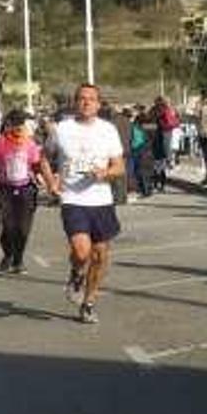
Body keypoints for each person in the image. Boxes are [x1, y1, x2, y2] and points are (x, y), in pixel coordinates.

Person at [54, 84, 125, 324]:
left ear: (98, 104)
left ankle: (89, 302)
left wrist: (104, 173)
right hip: (73, 198)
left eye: (91, 99)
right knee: (82, 251)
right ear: (75, 102)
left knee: (100, 256)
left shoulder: (108, 130)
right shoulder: (62, 129)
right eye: (82, 99)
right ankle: (76, 273)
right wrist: (51, 182)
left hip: (101, 200)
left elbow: (120, 166)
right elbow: (44, 156)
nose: (86, 103)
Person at [0, 109, 58, 275]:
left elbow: (36, 164)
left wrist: (45, 180)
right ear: (8, 125)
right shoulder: (0, 144)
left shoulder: (30, 144)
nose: (19, 129)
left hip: (26, 189)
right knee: (8, 228)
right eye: (16, 125)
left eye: (22, 125)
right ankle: (8, 256)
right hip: (5, 189)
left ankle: (18, 260)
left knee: (23, 229)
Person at [130, 109, 154, 198]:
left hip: (139, 150)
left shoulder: (136, 127)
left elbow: (135, 141)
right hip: (149, 150)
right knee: (147, 171)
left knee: (140, 171)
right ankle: (148, 189)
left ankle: (145, 191)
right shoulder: (152, 126)